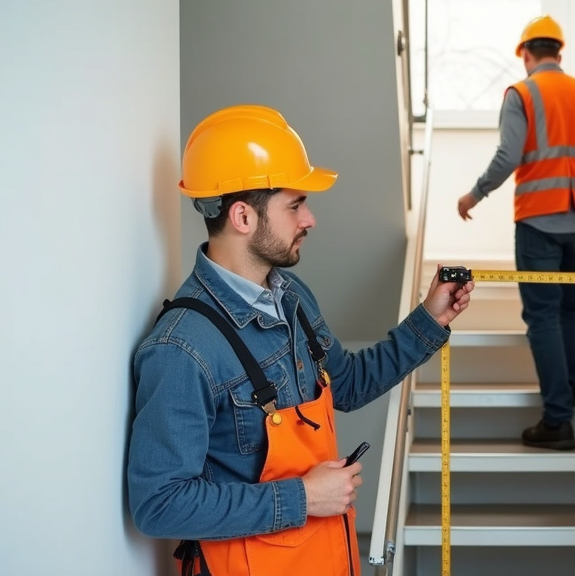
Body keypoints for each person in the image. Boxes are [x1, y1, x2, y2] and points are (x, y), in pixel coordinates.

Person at [127, 104, 474, 576]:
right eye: (295, 205)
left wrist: (430, 320)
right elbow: (160, 504)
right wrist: (304, 498)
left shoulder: (290, 296)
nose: (309, 219)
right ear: (243, 217)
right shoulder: (183, 349)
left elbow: (347, 384)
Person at [456, 15, 575, 451]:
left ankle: (558, 420)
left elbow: (509, 154)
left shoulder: (522, 93)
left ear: (526, 54)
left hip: (538, 222)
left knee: (543, 316)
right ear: (559, 53)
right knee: (571, 311)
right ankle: (569, 390)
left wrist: (475, 194)